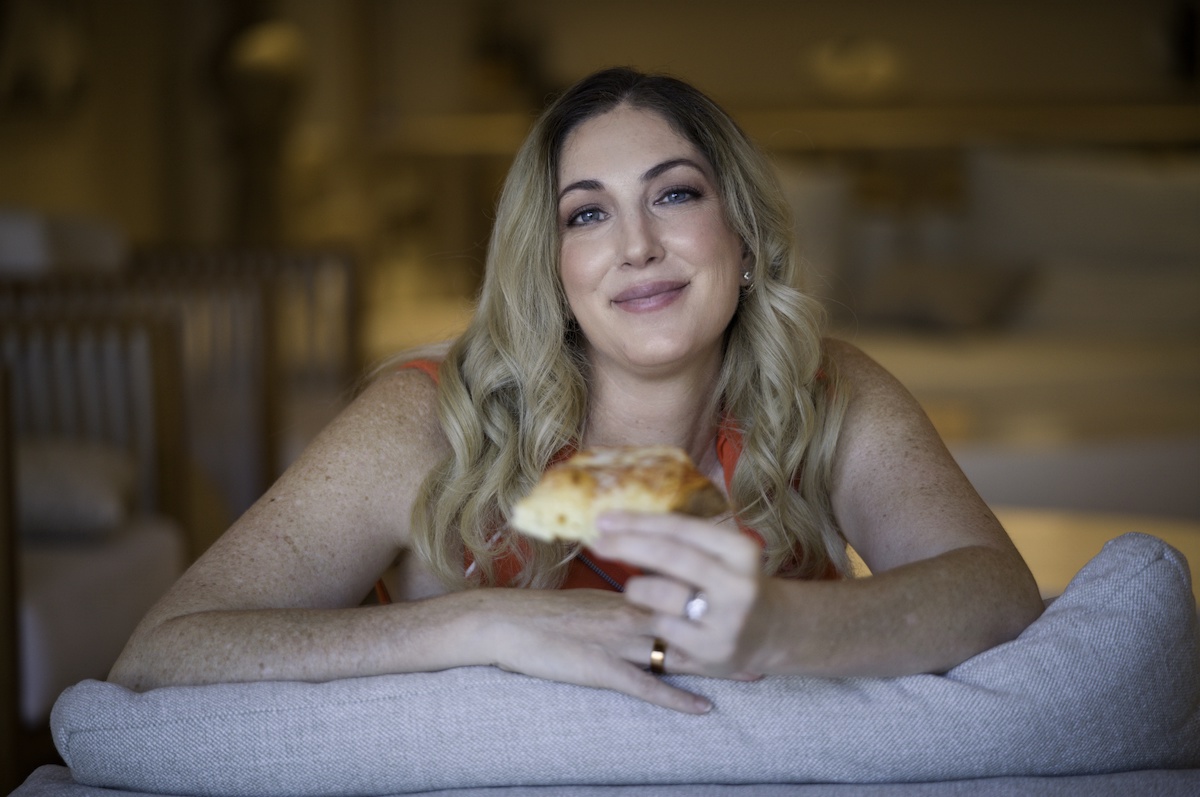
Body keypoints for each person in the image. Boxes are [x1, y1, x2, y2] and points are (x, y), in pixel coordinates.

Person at [109, 67, 1043, 715]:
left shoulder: (828, 392)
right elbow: (162, 653)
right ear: (555, 271)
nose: (636, 244)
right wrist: (481, 622)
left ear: (746, 239)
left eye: (675, 195)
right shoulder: (427, 420)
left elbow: (1000, 594)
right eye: (588, 212)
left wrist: (782, 625)